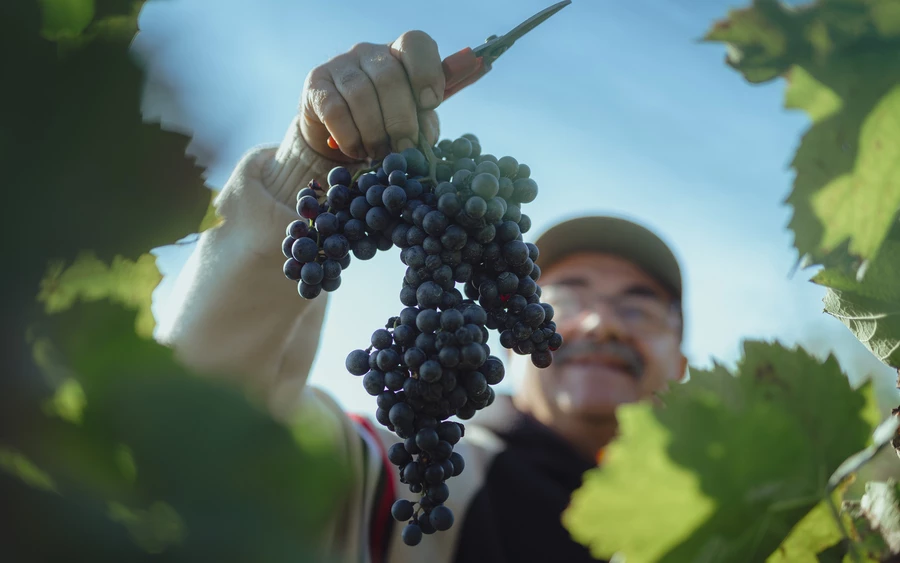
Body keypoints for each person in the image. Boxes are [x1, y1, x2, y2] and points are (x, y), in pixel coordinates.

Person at [157, 30, 688, 563]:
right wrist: (314, 172)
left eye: (637, 308)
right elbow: (193, 432)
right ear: (509, 334)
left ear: (682, 363)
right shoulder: (401, 487)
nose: (600, 324)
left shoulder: (736, 523)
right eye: (569, 300)